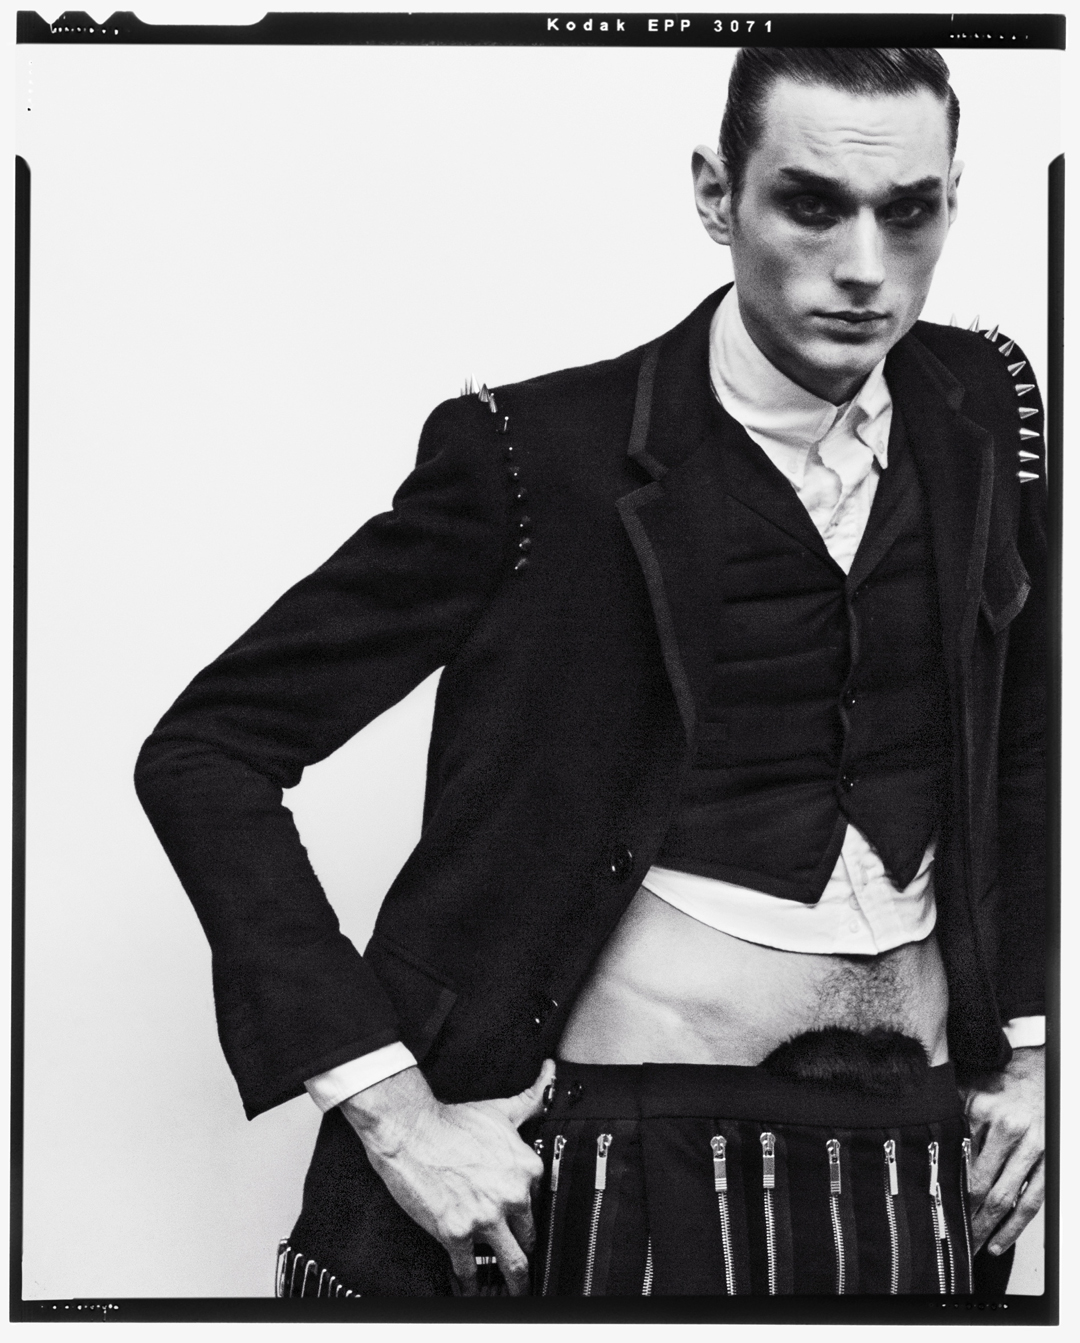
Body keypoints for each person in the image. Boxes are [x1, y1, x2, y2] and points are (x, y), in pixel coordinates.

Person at [135, 47, 1047, 1298]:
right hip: (615, 1157)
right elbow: (209, 752)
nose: (865, 267)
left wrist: (1040, 1048)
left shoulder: (981, 407)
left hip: (916, 1163)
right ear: (716, 193)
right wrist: (391, 1107)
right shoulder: (538, 458)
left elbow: (1031, 742)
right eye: (811, 204)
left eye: (910, 212)